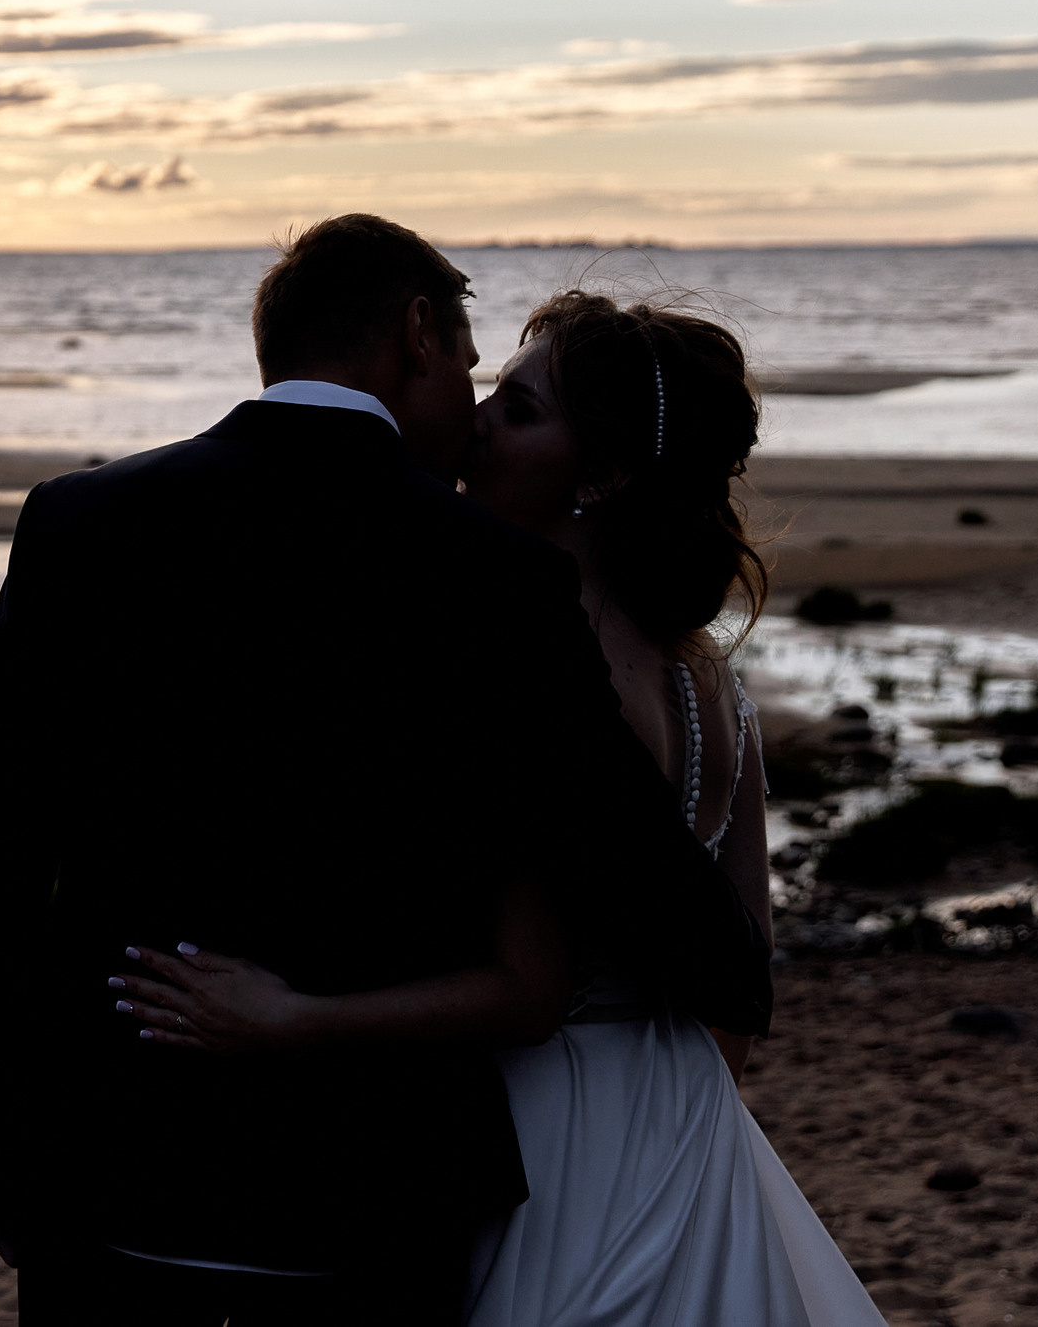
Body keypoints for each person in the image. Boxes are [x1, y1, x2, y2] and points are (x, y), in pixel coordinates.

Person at [0, 217, 772, 1327]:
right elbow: (662, 899)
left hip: (109, 1165)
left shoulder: (78, 519)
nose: (473, 411)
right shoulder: (498, 580)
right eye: (473, 367)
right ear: (418, 334)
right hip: (372, 1198)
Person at [113, 289, 886, 1325]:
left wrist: (291, 1019)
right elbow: (741, 975)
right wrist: (673, 1130)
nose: (476, 419)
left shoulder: (534, 669)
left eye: (518, 412)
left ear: (602, 473)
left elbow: (532, 981)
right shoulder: (711, 685)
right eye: (489, 392)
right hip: (686, 1122)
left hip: (537, 1127)